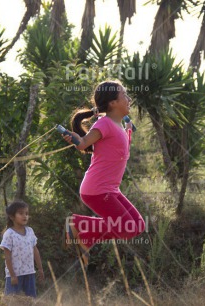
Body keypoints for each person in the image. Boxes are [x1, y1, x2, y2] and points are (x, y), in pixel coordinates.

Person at [62, 80, 145, 266]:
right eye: (125, 95)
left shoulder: (119, 126)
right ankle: (81, 229)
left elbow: (119, 146)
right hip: (97, 190)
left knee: (138, 226)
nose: (129, 99)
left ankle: (79, 225)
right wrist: (74, 139)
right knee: (127, 227)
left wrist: (129, 129)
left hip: (110, 190)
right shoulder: (104, 124)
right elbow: (83, 143)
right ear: (113, 103)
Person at [0, 200, 44, 297]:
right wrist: (12, 275)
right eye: (21, 213)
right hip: (15, 276)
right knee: (13, 301)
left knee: (31, 301)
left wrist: (40, 269)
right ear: (12, 217)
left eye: (26, 213)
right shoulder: (9, 234)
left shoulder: (30, 231)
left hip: (29, 273)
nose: (25, 216)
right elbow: (7, 257)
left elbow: (35, 251)